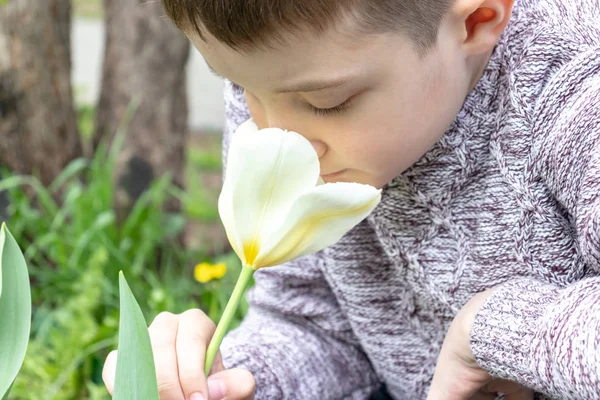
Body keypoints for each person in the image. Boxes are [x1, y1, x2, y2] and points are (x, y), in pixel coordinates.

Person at [102, 0, 600, 398]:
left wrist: (490, 332)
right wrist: (232, 381)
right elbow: (313, 325)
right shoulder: (280, 92)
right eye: (239, 86)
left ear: (475, 22)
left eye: (328, 103)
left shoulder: (576, 88)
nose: (281, 137)